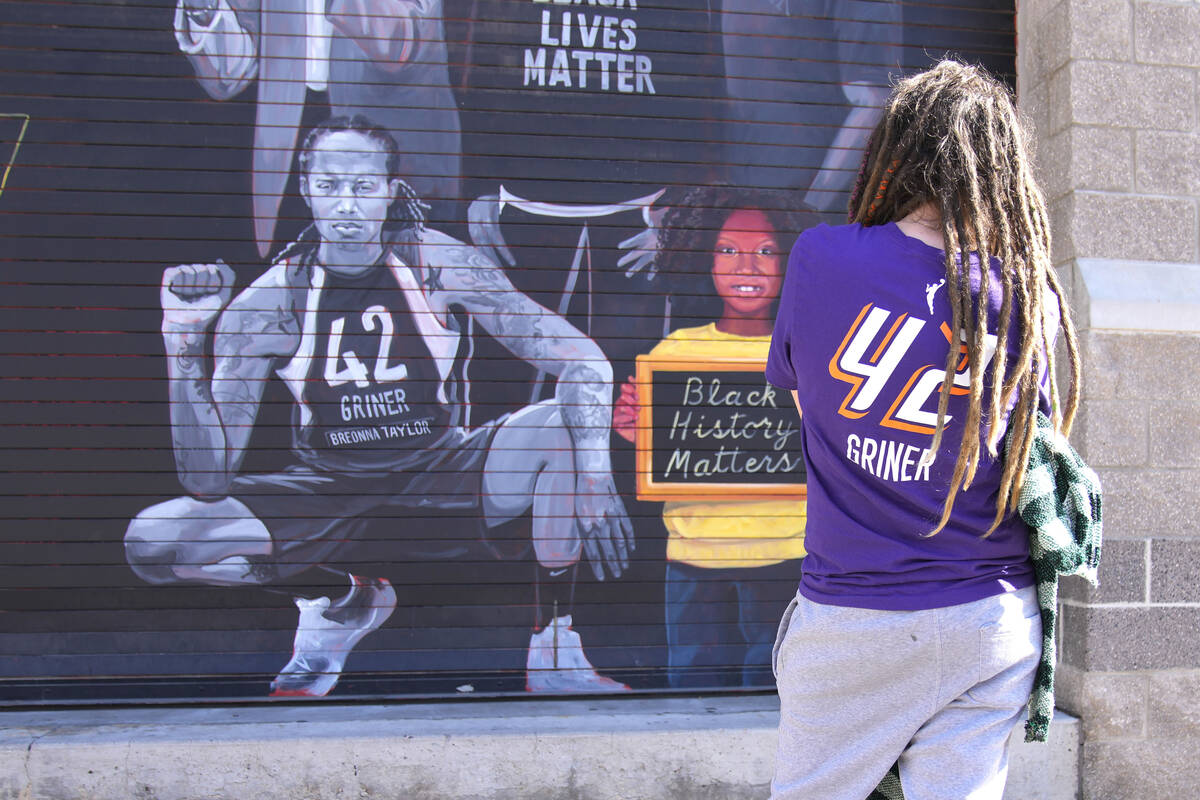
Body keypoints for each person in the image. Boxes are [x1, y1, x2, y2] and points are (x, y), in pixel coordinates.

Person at [124, 115, 633, 697]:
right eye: (330, 185)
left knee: (560, 424)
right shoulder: (266, 303)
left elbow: (584, 360)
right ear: (305, 187)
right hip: (328, 488)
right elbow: (206, 478)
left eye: (363, 187)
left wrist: (595, 475)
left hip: (443, 471)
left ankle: (554, 648)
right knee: (153, 539)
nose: (346, 204)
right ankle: (342, 599)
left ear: (391, 190)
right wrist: (185, 342)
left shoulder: (436, 263)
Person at [765, 60, 1081, 799]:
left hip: (853, 619)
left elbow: (810, 411)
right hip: (990, 623)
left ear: (896, 153)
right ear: (1002, 171)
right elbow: (1024, 451)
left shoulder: (820, 257)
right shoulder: (1027, 296)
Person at [612, 187, 813, 689]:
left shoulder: (808, 353)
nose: (746, 267)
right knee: (692, 686)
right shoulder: (676, 351)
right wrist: (635, 432)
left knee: (773, 695)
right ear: (701, 255)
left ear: (789, 259)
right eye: (728, 250)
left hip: (785, 558)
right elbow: (664, 453)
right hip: (692, 559)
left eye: (765, 251)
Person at [173, 0, 461, 257]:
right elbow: (228, 75)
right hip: (290, 153)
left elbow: (399, 40)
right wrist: (205, 13)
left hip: (394, 163)